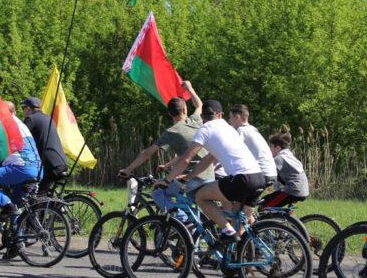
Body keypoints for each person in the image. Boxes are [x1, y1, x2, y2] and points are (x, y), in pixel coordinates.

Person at [163, 99, 265, 243]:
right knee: (239, 223)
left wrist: (167, 180)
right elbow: (208, 160)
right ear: (220, 115)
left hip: (242, 179)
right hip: (259, 178)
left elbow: (186, 159)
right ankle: (239, 260)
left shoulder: (205, 129)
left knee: (201, 197)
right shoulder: (229, 128)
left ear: (203, 116)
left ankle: (227, 231)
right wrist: (189, 176)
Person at [118, 81, 213, 221]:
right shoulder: (195, 121)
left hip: (192, 177)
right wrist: (190, 88)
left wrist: (128, 169)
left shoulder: (171, 132)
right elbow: (199, 105)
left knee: (157, 193)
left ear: (170, 113)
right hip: (209, 174)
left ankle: (181, 222)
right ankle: (192, 235)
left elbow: (147, 153)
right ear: (185, 110)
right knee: (194, 211)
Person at [20, 97, 68, 193]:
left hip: (49, 164)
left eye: (23, 108)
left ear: (29, 108)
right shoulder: (48, 118)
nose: (23, 111)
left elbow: (19, 138)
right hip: (60, 161)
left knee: (36, 195)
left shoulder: (31, 119)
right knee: (40, 192)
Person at [229, 104, 277, 186]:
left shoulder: (241, 130)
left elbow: (231, 152)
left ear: (237, 117)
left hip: (261, 174)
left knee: (227, 188)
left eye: (230, 118)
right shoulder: (253, 129)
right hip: (271, 173)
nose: (229, 121)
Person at [262, 130, 309, 208]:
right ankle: (277, 219)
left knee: (265, 206)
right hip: (301, 190)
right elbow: (275, 181)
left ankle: (272, 220)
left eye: (270, 146)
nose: (269, 150)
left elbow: (268, 176)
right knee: (268, 201)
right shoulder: (289, 156)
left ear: (277, 148)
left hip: (292, 190)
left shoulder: (279, 158)